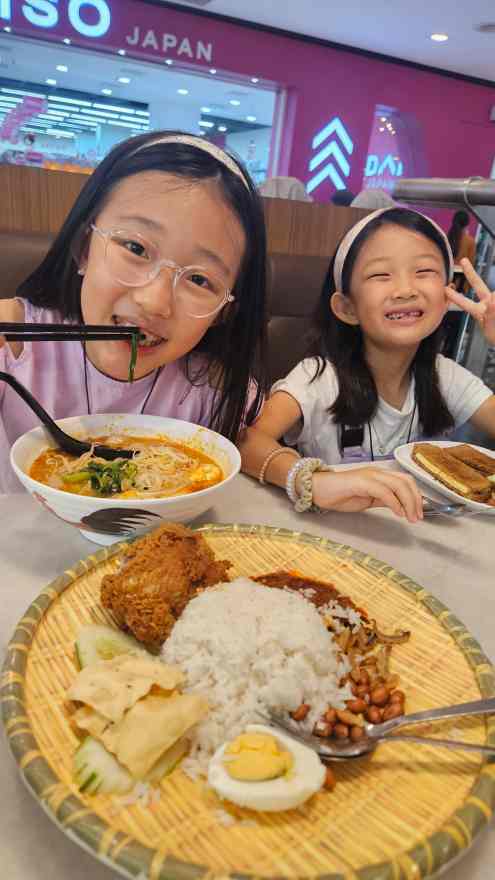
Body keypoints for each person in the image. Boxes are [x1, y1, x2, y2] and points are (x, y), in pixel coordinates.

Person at [0, 131, 267, 492]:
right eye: (135, 248)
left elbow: (255, 442)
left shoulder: (214, 388)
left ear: (224, 310)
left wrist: (305, 477)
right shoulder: (12, 342)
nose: (155, 301)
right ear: (84, 248)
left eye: (201, 280)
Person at [240, 207, 495, 522]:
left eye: (424, 271)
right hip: (326, 535)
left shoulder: (447, 378)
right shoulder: (318, 378)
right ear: (347, 307)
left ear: (448, 298)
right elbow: (248, 442)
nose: (405, 290)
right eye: (380, 275)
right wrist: (312, 480)